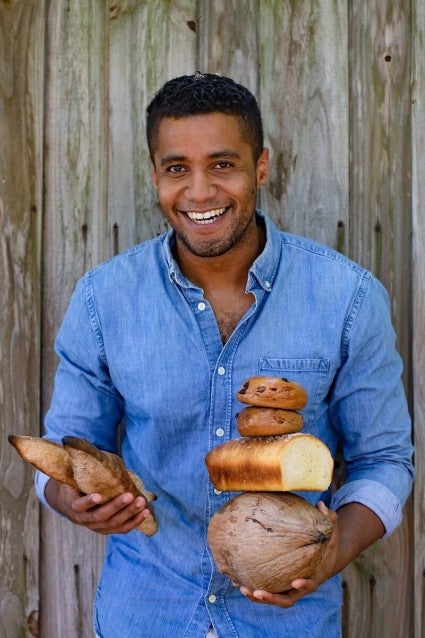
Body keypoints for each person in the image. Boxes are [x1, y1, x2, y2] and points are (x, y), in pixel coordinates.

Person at [36, 73, 414, 638]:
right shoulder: (103, 300)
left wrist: (333, 552)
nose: (200, 193)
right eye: (176, 168)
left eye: (222, 164)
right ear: (155, 175)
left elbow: (385, 460)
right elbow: (63, 452)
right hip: (145, 613)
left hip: (290, 623)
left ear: (260, 167)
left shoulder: (348, 299)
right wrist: (74, 500)